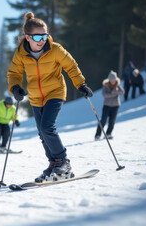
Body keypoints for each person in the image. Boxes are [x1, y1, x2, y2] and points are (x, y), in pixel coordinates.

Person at [7, 12, 93, 181]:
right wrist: (15, 87)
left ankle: (63, 161)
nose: (42, 40)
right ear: (27, 37)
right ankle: (54, 163)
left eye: (44, 35)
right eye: (38, 36)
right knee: (41, 132)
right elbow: (14, 72)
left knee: (47, 127)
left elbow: (71, 66)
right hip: (35, 96)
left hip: (55, 92)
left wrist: (80, 84)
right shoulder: (20, 53)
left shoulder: (55, 49)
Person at [95, 71, 124, 140]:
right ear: (109, 80)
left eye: (114, 80)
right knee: (103, 120)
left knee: (112, 120)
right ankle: (97, 135)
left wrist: (112, 92)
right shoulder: (106, 85)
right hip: (107, 105)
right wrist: (114, 93)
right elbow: (105, 95)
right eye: (111, 80)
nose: (113, 81)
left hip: (116, 106)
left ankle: (108, 134)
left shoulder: (118, 85)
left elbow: (122, 92)